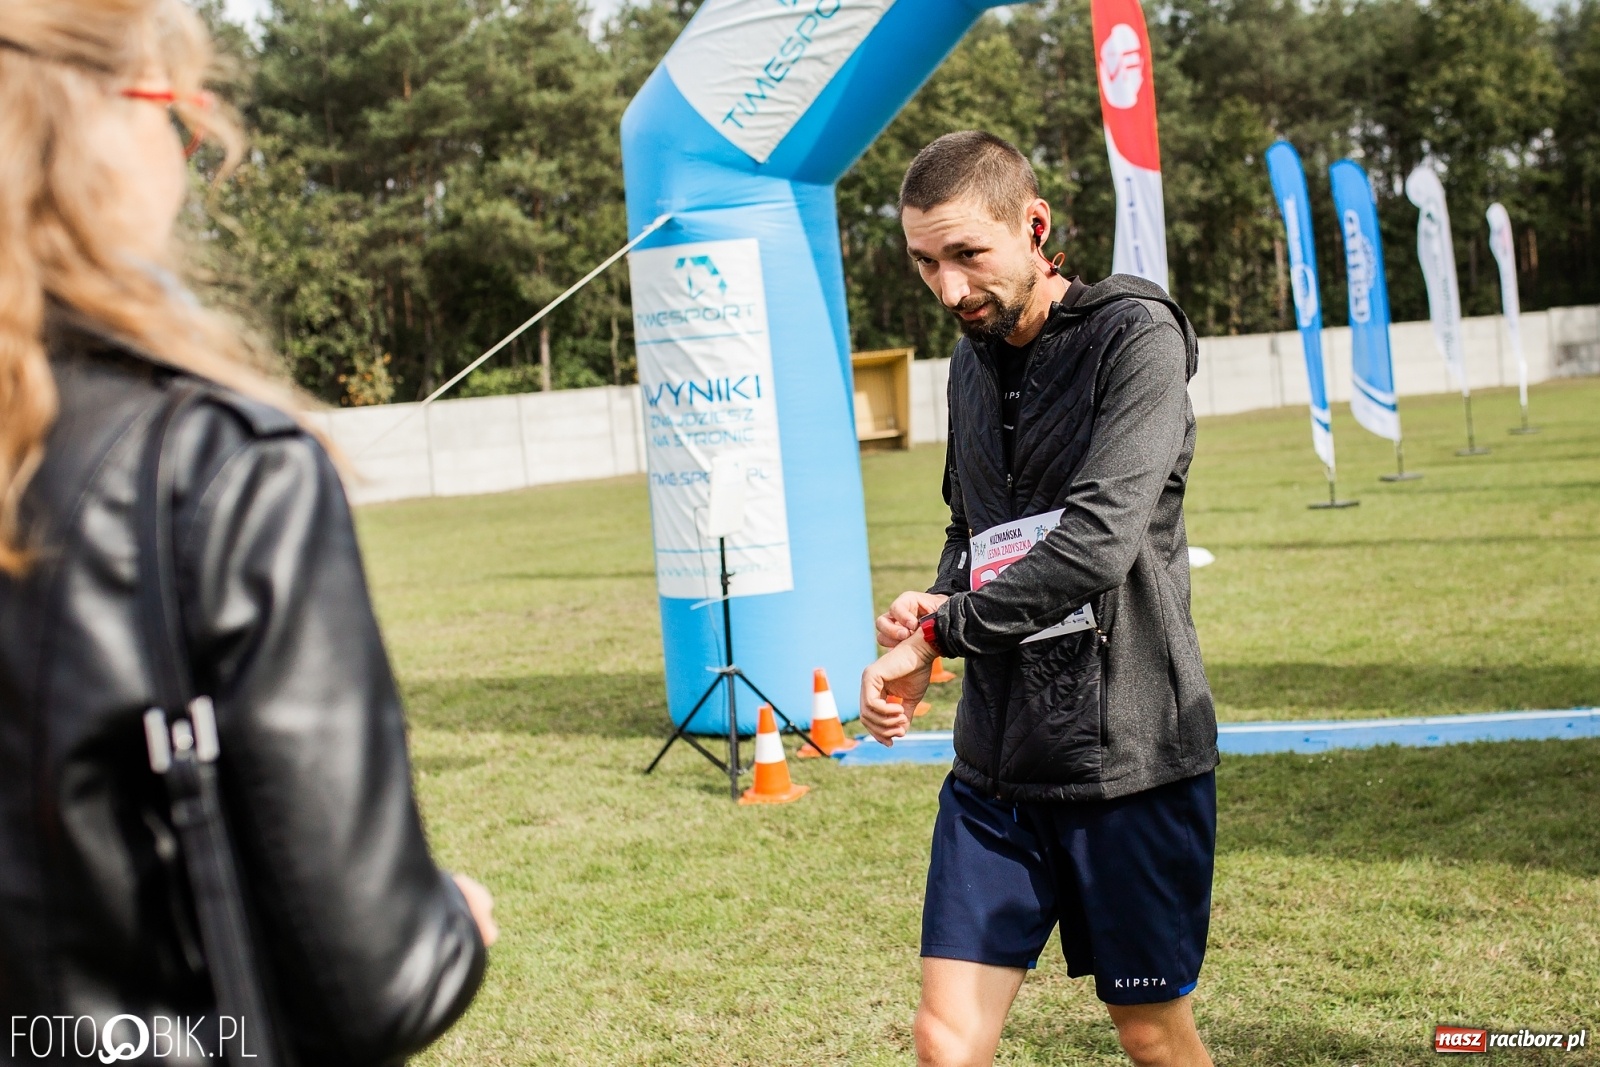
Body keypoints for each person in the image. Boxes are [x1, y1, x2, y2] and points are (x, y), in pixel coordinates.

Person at [0, 2, 494, 1062]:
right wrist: (449, 923)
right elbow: (377, 978)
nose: (192, 150)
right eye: (177, 109)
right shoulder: (214, 462)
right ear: (94, 122)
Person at [859, 130, 1220, 1067]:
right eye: (925, 262)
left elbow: (1097, 543)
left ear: (1034, 226)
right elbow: (971, 531)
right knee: (945, 1040)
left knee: (1150, 1034)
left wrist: (944, 626)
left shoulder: (1134, 339)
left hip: (1127, 757)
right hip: (997, 762)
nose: (948, 289)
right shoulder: (965, 366)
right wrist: (927, 628)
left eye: (968, 255)